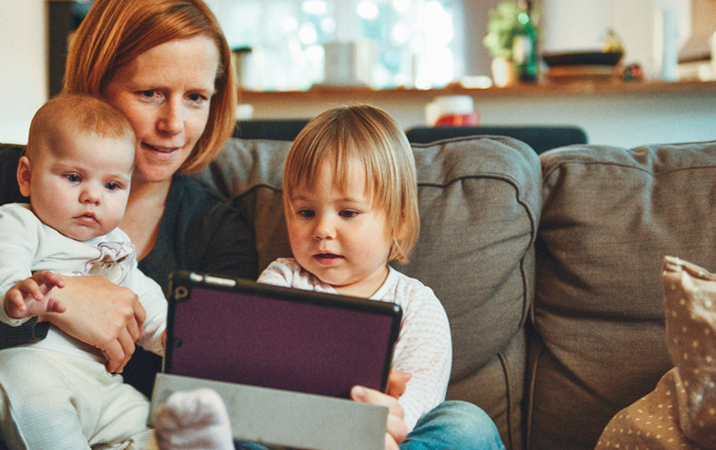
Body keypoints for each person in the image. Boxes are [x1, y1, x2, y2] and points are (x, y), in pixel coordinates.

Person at [154, 105, 506, 450]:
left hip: (378, 442)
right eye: (305, 212)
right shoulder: (282, 280)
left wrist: (368, 429)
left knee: (466, 423)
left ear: (398, 220)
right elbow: (257, 379)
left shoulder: (418, 306)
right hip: (287, 438)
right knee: (223, 415)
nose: (322, 230)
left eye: (348, 212)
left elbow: (413, 410)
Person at [0, 0, 257, 400]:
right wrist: (59, 300)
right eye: (150, 93)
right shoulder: (11, 181)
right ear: (95, 84)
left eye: (195, 98)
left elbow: (214, 385)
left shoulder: (218, 234)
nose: (173, 124)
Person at [0, 94, 170, 448]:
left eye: (112, 185)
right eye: (74, 177)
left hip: (103, 383)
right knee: (34, 399)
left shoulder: (116, 243)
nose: (93, 196)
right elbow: (6, 262)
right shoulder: (19, 222)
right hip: (36, 366)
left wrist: (171, 333)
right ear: (27, 177)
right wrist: (16, 294)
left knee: (154, 427)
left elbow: (140, 294)